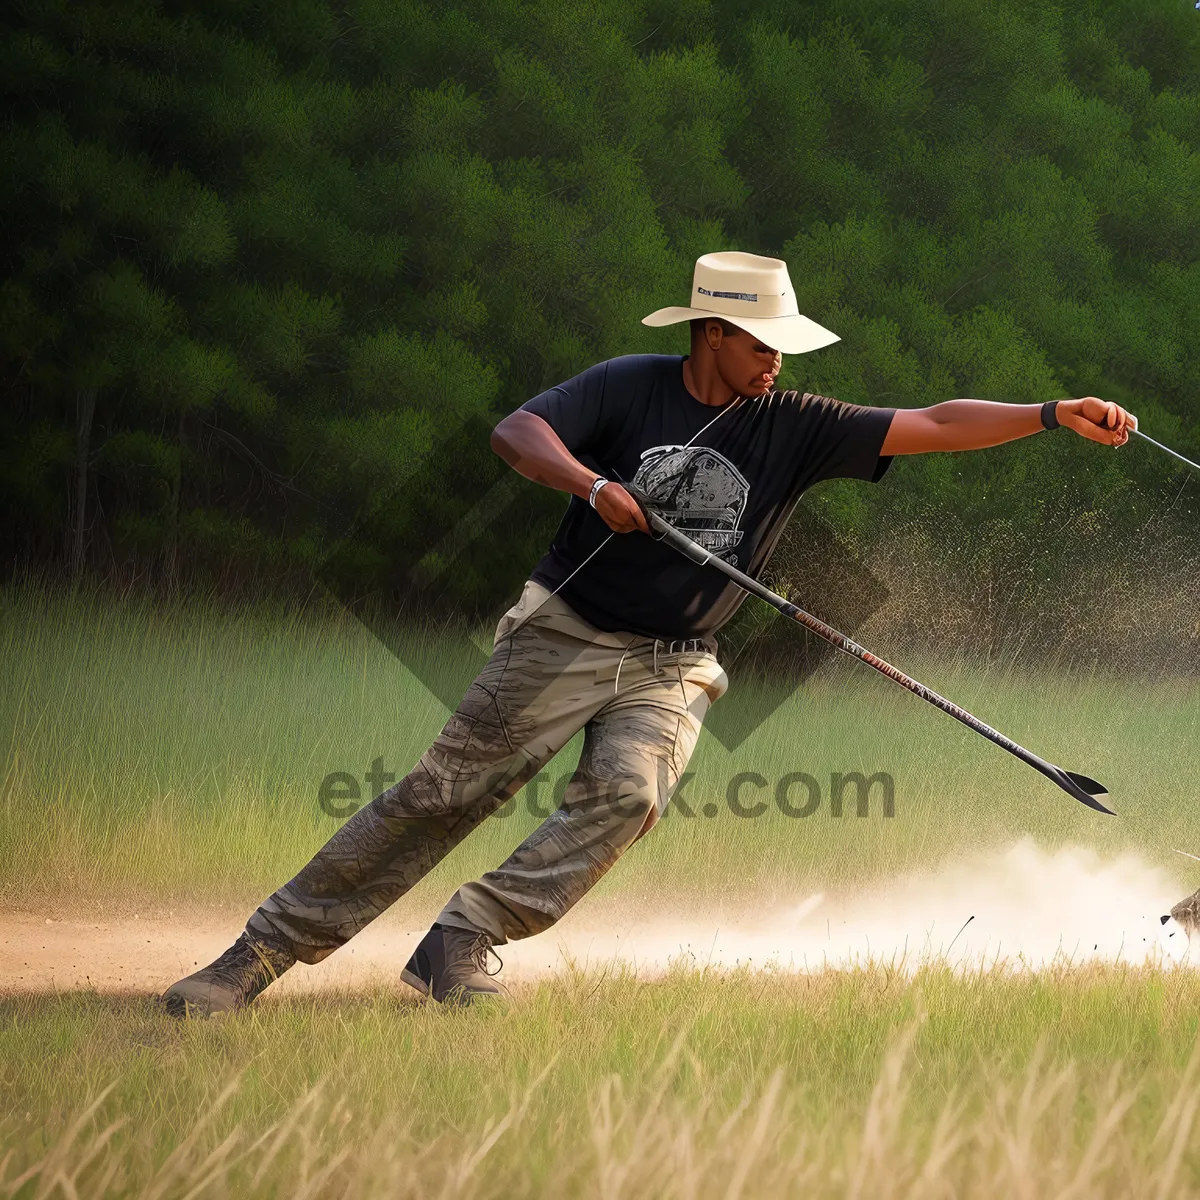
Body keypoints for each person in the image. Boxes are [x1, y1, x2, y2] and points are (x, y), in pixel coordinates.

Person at [161, 251, 1134, 1015]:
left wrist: (1051, 414)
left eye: (782, 346)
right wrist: (593, 485)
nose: (777, 361)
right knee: (444, 793)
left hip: (675, 665)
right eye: (761, 344)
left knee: (628, 794)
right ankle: (257, 956)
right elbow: (517, 433)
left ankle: (463, 938)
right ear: (712, 332)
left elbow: (930, 420)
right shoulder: (627, 388)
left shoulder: (791, 422)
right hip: (567, 633)